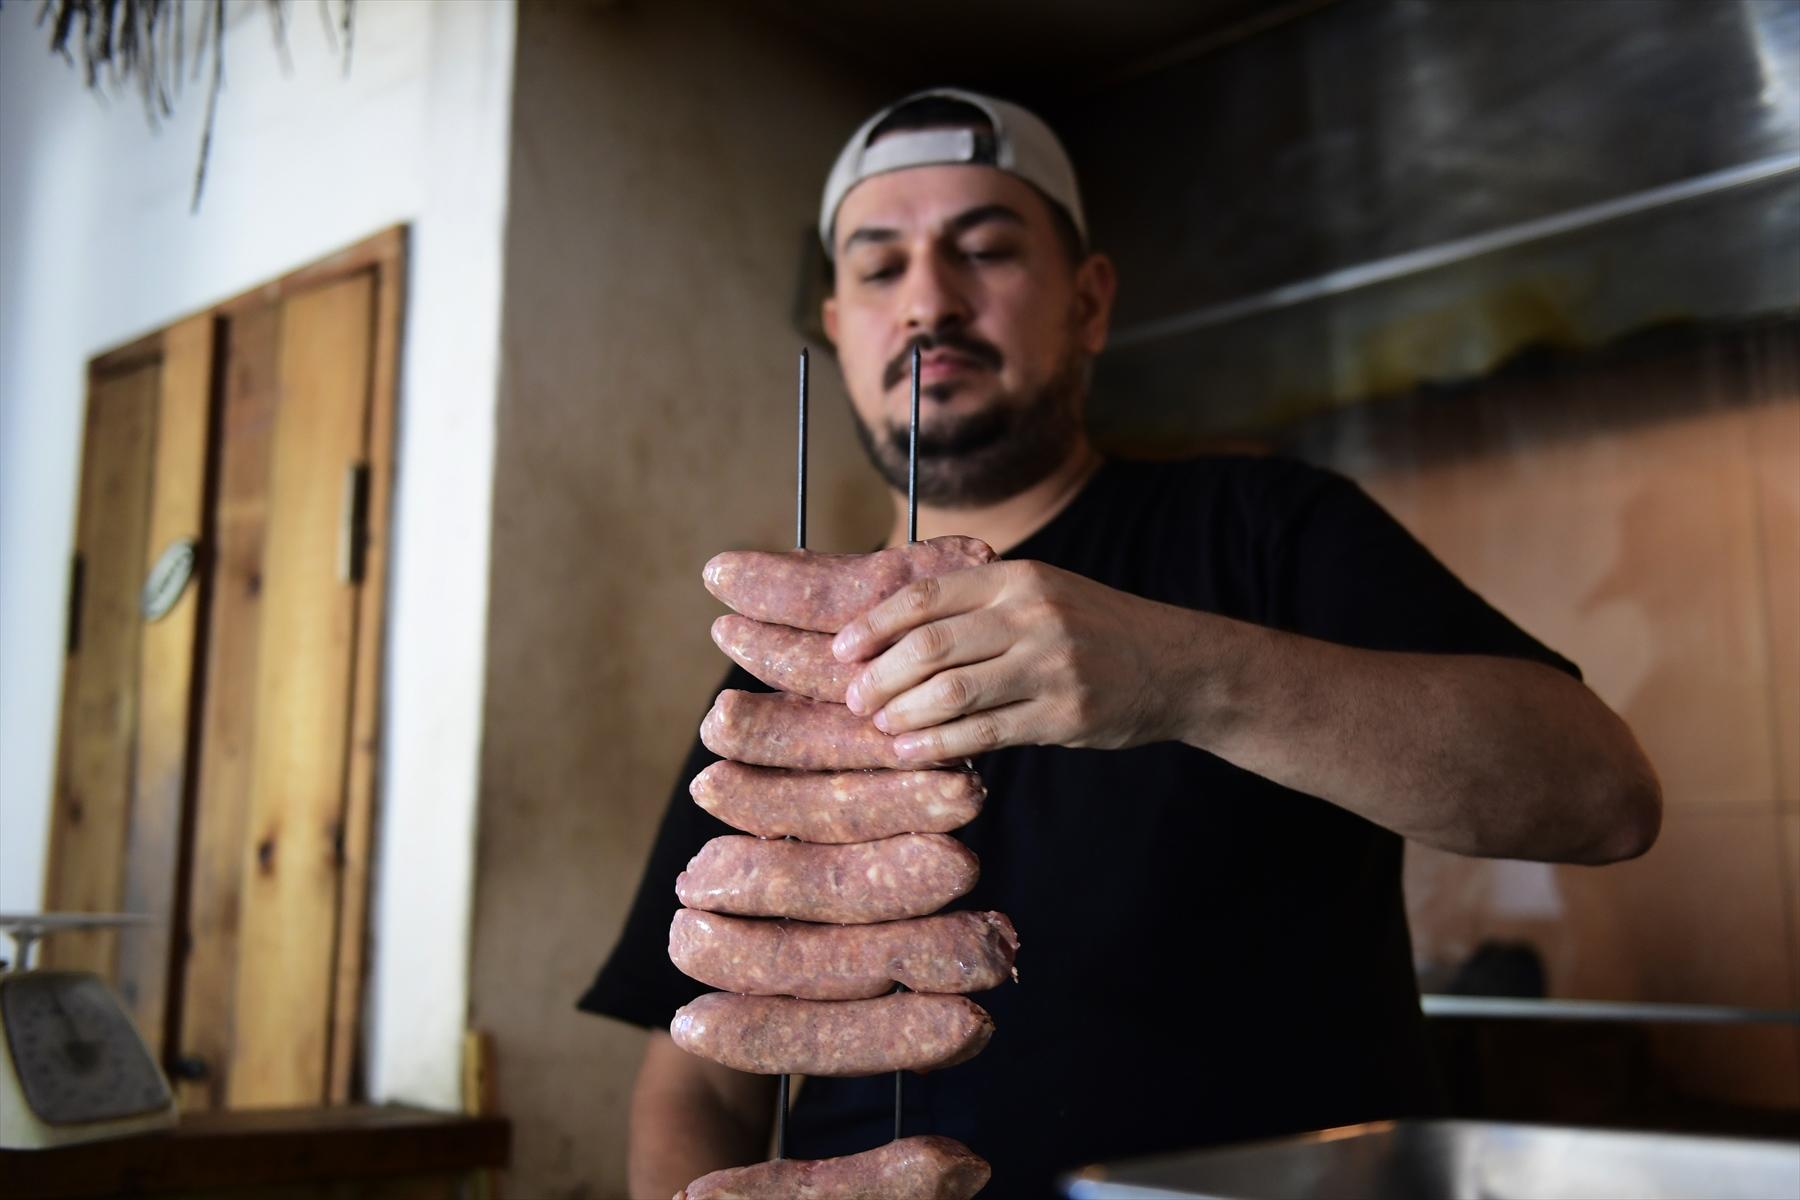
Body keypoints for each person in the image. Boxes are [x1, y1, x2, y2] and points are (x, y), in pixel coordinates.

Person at [580, 87, 1661, 1198]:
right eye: (878, 266)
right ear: (838, 324)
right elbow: (698, 1076)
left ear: (1089, 304)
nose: (929, 302)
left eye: (985, 249)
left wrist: (1188, 678)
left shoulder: (1263, 528)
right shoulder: (789, 657)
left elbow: (1603, 795)